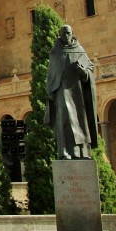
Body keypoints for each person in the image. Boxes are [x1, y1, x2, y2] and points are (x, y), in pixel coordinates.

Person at [45, 24, 98, 159]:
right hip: (61, 89)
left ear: (72, 33)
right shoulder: (55, 52)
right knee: (65, 120)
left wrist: (84, 72)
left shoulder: (79, 49)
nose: (66, 36)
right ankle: (65, 152)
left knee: (81, 120)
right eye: (63, 33)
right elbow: (51, 74)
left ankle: (83, 152)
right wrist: (51, 90)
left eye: (68, 33)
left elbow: (90, 68)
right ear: (59, 35)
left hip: (78, 90)